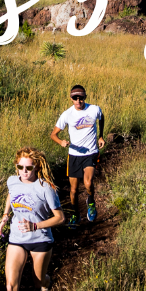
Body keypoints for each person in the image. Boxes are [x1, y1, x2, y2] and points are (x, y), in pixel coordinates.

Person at [0, 148, 65, 291]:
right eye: (20, 167)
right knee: (10, 287)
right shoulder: (12, 181)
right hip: (17, 238)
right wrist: (5, 217)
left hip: (40, 238)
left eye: (28, 167)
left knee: (38, 281)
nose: (24, 171)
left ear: (36, 166)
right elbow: (11, 195)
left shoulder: (46, 188)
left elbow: (60, 218)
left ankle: (46, 285)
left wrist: (35, 225)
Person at [50, 84, 105, 226]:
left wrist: (101, 136)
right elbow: (53, 134)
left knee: (88, 183)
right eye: (75, 98)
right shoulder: (67, 114)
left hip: (90, 153)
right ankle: (75, 214)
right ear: (71, 98)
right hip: (74, 155)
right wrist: (60, 142)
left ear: (85, 97)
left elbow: (101, 118)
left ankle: (91, 202)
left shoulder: (94, 109)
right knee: (73, 190)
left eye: (81, 98)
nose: (78, 101)